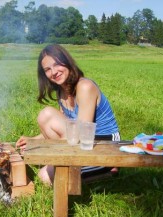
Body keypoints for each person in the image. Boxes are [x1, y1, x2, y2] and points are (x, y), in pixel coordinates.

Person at [16, 44, 120, 185]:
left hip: (104, 146)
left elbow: (81, 131)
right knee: (44, 176)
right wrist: (33, 140)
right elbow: (62, 128)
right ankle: (69, 165)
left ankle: (107, 169)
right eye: (47, 69)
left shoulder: (85, 87)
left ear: (67, 61)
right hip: (82, 143)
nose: (53, 72)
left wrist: (44, 148)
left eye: (56, 64)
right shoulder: (61, 92)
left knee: (46, 115)